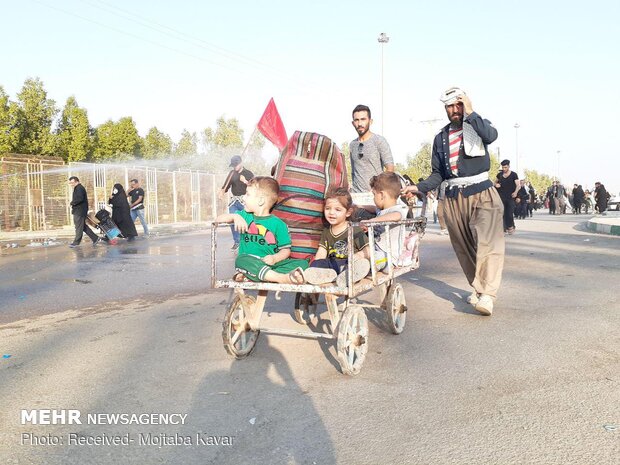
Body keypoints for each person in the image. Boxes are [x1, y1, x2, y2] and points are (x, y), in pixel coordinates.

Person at [402, 87, 503, 316]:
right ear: (445, 109)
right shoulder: (441, 138)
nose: (455, 110)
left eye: (459, 105)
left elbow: (491, 136)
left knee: (489, 243)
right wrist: (418, 187)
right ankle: (477, 287)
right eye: (450, 106)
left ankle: (487, 294)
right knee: (464, 247)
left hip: (482, 192)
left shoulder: (478, 124)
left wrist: (471, 111)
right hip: (454, 197)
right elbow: (438, 174)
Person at [215, 177, 307, 284]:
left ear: (261, 201)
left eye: (248, 194)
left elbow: (286, 250)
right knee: (241, 260)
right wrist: (235, 217)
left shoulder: (279, 224)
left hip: (271, 264)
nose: (243, 198)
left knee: (303, 263)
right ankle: (280, 278)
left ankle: (256, 275)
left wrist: (275, 258)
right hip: (249, 261)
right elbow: (217, 220)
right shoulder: (243, 216)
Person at [302, 188, 371, 287]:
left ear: (348, 212)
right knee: (316, 264)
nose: (331, 213)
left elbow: (368, 249)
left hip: (349, 263)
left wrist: (359, 256)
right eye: (328, 208)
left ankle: (347, 276)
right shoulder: (326, 231)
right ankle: (329, 276)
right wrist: (316, 264)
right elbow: (322, 251)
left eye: (337, 209)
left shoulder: (354, 229)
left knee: (360, 264)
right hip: (332, 265)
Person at [348, 104, 394, 205]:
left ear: (370, 121)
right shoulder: (352, 145)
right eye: (356, 120)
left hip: (375, 197)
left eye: (363, 119)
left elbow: (390, 170)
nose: (360, 123)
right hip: (357, 198)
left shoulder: (379, 141)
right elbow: (353, 172)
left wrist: (378, 188)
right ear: (353, 123)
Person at [219, 155, 254, 250]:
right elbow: (226, 186)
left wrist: (245, 181)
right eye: (233, 165)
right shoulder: (232, 173)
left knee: (247, 221)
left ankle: (248, 242)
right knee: (232, 221)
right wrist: (222, 191)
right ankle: (237, 241)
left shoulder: (248, 173)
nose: (235, 167)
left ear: (241, 163)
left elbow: (254, 186)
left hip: (245, 201)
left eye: (236, 165)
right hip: (234, 201)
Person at [68, 176, 100, 248]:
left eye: (72, 183)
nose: (71, 184)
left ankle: (76, 242)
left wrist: (72, 203)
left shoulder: (79, 188)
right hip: (80, 210)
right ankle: (95, 238)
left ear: (76, 181)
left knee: (78, 227)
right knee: (83, 227)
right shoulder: (78, 188)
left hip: (79, 211)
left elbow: (80, 198)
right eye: (70, 183)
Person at [495, 160, 519, 233]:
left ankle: (511, 226)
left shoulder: (514, 175)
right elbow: (494, 182)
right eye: (503, 167)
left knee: (509, 212)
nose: (504, 169)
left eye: (505, 167)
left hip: (511, 196)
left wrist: (515, 192)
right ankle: (505, 228)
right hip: (502, 196)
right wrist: (496, 185)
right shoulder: (500, 174)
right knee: (502, 212)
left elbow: (518, 185)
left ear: (508, 166)